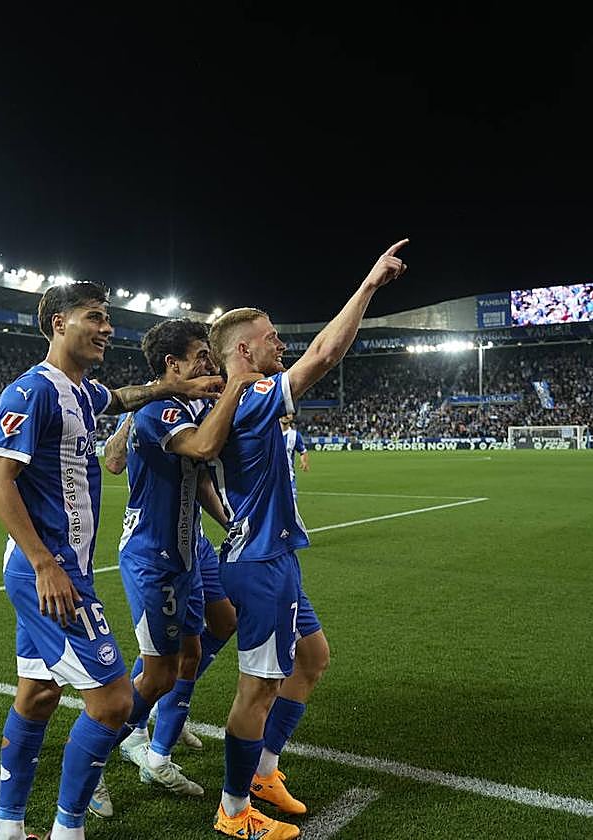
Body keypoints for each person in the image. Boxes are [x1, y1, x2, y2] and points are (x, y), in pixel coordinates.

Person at [0, 282, 221, 840]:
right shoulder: (31, 392)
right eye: (95, 317)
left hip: (64, 567)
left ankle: (8, 829)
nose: (108, 328)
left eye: (108, 318)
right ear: (57, 323)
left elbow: (117, 400)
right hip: (50, 571)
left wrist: (169, 385)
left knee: (39, 695)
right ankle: (69, 830)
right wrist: (44, 563)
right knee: (115, 701)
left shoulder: (82, 392)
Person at [204, 239, 408, 839]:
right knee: (259, 686)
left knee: (312, 659)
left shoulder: (250, 398)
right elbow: (323, 354)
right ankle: (233, 808)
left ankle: (264, 769)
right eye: (270, 338)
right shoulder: (246, 396)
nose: (280, 344)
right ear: (244, 350)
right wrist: (368, 285)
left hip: (278, 556)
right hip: (258, 561)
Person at [98, 319, 259, 802]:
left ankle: (164, 736)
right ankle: (101, 754)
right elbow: (201, 447)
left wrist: (231, 523)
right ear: (174, 365)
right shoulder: (160, 408)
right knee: (163, 669)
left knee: (218, 625)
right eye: (201, 357)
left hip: (191, 546)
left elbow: (203, 475)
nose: (209, 364)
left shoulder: (188, 404)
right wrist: (235, 386)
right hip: (155, 554)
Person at [279, 414, 309, 499]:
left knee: (292, 506)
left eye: (288, 413)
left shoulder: (295, 435)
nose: (285, 415)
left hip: (289, 476)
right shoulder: (270, 434)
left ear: (292, 416)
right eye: (283, 412)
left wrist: (304, 462)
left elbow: (303, 451)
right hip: (271, 477)